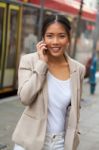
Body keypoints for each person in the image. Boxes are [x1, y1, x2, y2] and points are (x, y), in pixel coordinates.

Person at [12, 14, 85, 150]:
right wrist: (42, 65)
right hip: (30, 140)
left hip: (60, 142)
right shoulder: (29, 61)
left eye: (61, 36)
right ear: (43, 38)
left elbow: (74, 109)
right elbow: (25, 98)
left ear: (68, 38)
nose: (55, 41)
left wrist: (73, 138)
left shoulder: (78, 69)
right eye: (50, 36)